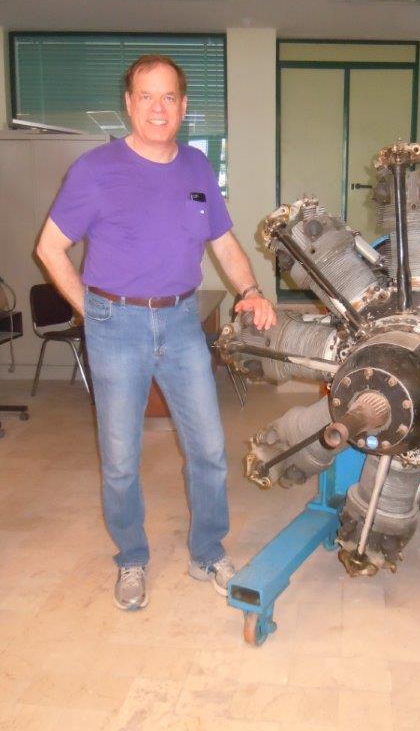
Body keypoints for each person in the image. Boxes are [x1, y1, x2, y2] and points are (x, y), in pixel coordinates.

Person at [36, 54, 276, 611]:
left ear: (184, 106)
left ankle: (207, 551)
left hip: (181, 322)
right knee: (121, 458)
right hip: (115, 325)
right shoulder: (94, 170)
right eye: (146, 96)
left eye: (169, 97)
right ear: (129, 104)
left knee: (209, 450)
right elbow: (49, 249)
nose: (158, 108)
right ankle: (132, 556)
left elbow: (222, 241)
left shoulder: (197, 167)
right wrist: (90, 310)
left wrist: (250, 290)